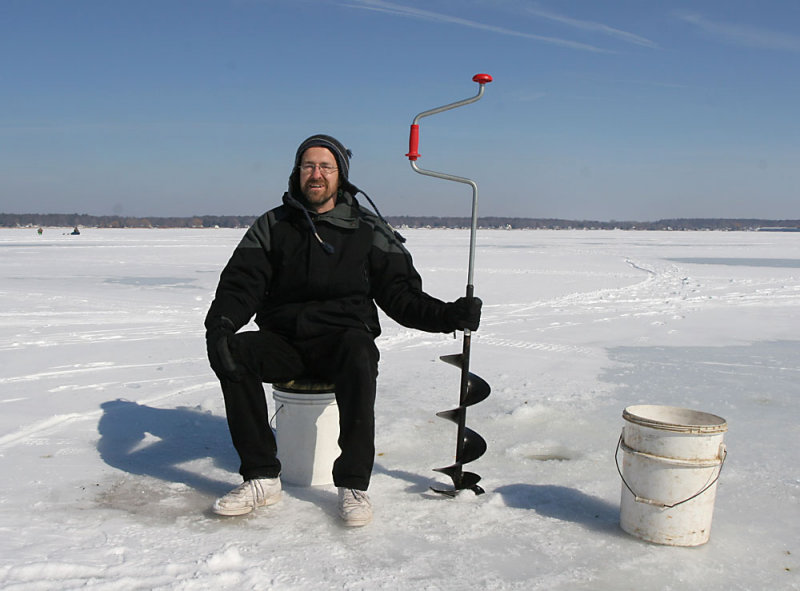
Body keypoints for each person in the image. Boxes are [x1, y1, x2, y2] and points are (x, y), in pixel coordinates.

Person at [205, 134, 481, 526]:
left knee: (358, 351)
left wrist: (449, 315)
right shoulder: (273, 225)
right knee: (232, 351)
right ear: (297, 173)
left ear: (340, 175)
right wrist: (221, 325)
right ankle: (262, 477)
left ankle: (353, 484)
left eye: (325, 167)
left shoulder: (368, 229)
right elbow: (240, 285)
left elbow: (401, 296)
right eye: (308, 166)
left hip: (342, 342)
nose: (315, 174)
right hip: (285, 342)